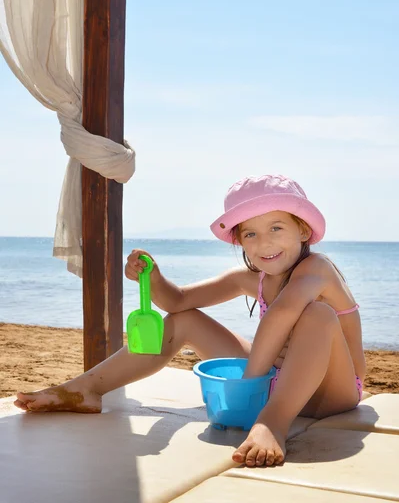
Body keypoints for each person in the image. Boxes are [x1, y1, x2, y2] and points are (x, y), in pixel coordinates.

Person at [14, 174, 365, 468]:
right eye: (251, 234)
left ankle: (273, 421)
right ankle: (86, 389)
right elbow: (179, 301)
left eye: (276, 228)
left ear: (303, 231)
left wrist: (247, 386)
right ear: (239, 240)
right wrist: (152, 279)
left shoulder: (317, 269)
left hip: (330, 393)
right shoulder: (251, 276)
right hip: (273, 377)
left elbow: (283, 313)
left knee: (317, 314)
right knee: (184, 320)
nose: (264, 243)